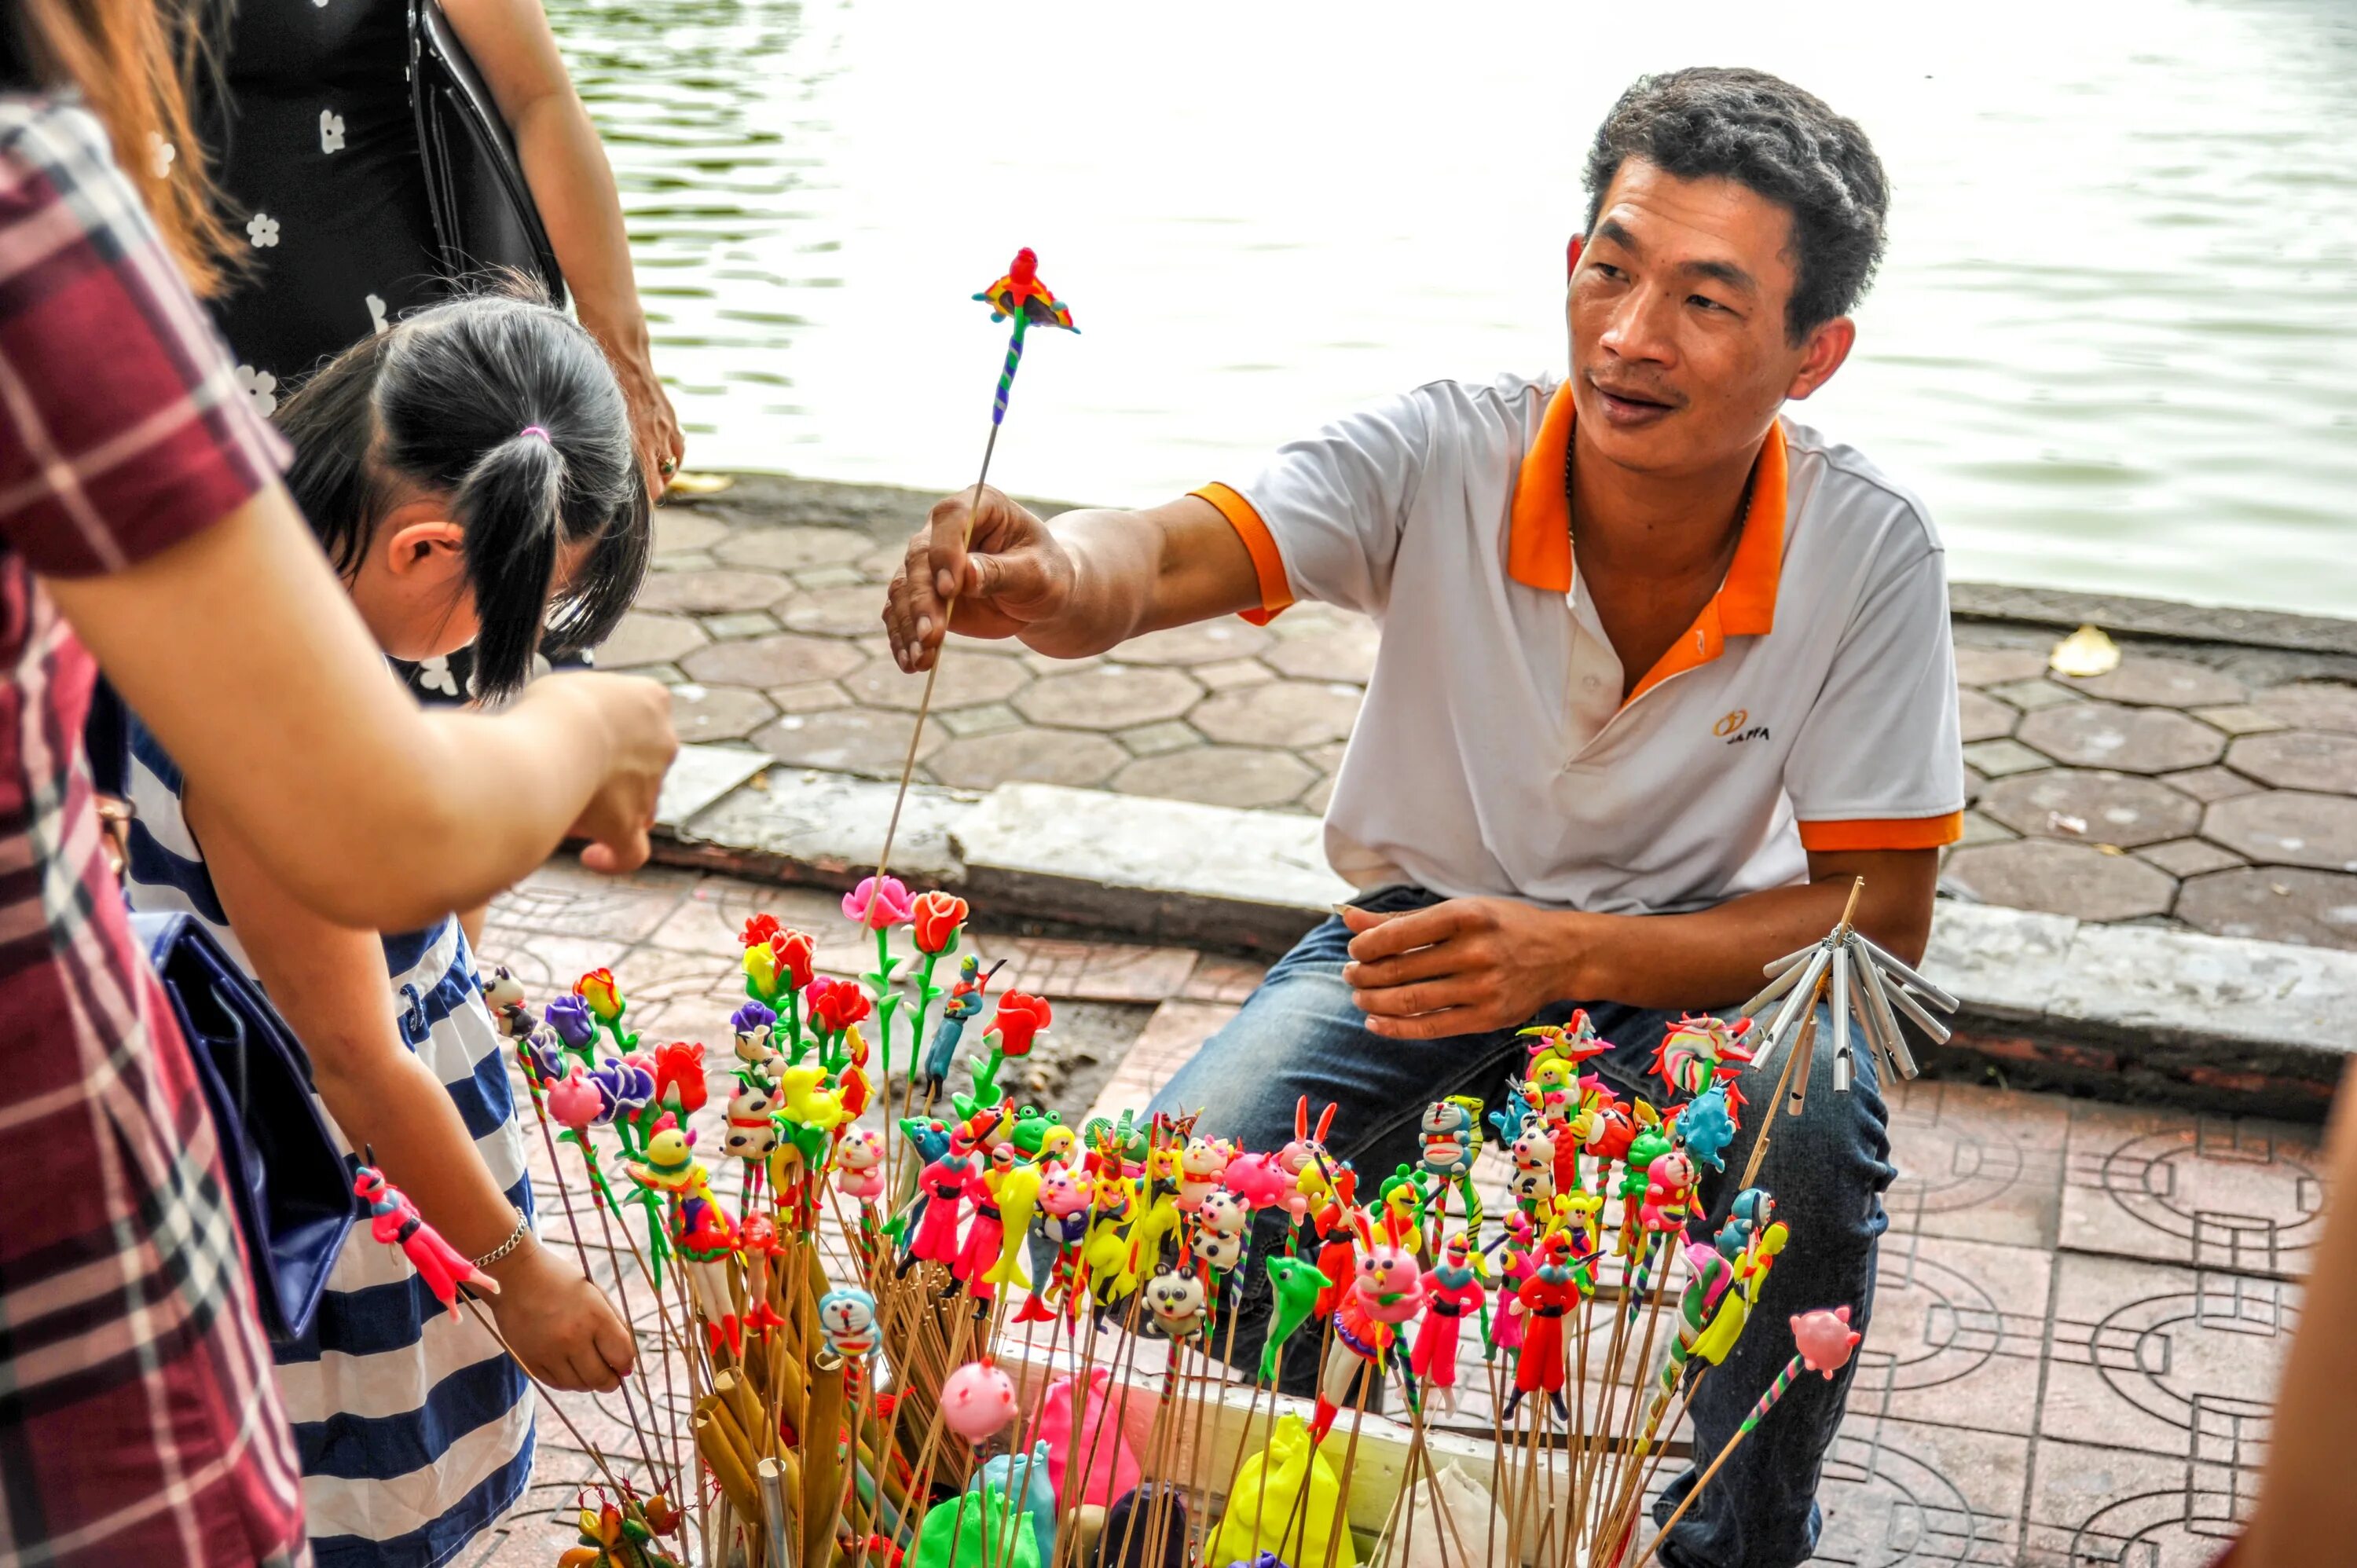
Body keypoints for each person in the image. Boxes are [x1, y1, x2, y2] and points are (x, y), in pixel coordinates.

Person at [885, 68, 1959, 1568]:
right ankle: (1314, 1484)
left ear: (1814, 354)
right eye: (1611, 269)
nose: (1632, 336)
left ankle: (1739, 1538)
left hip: (1691, 981)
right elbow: (1186, 546)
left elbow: (1880, 915)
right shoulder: (1444, 447)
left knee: (1818, 1099)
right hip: (1412, 940)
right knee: (1169, 1202)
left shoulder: (1869, 547)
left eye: (1710, 302)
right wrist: (1049, 574)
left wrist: (1568, 958)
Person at [0, 2, 674, 1563]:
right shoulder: (44, 227)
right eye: (502, 622)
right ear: (432, 544)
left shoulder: (277, 591)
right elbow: (382, 854)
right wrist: (594, 733)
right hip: (285, 1178)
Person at [112, 289, 646, 1567]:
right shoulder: (272, 715)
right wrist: (522, 1276)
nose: (484, 654)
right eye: (502, 604)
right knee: (346, 1508)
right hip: (337, 1197)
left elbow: (407, 893)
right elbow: (352, 1061)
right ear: (417, 551)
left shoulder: (248, 583)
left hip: (368, 1139)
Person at [184, 0, 682, 708]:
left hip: (393, 378)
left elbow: (537, 99)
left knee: (459, 672)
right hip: (136, 354)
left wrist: (622, 356)